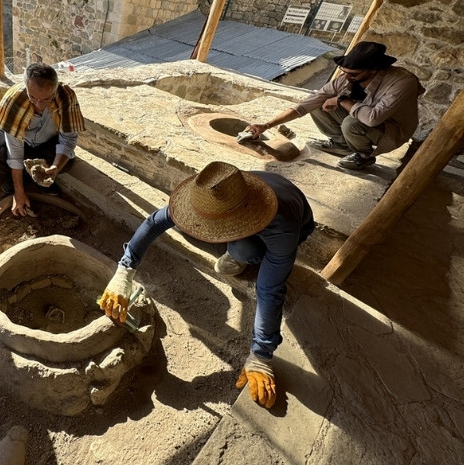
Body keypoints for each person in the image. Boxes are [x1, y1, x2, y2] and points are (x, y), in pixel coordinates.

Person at [99, 161, 315, 409]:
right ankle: (239, 250)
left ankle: (243, 254)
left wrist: (261, 354)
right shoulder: (209, 193)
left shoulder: (281, 228)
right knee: (230, 243)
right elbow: (153, 222)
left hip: (295, 221)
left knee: (243, 249)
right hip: (246, 202)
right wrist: (124, 271)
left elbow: (269, 290)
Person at [244, 41, 424, 170]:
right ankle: (341, 144)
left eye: (352, 73)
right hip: (363, 118)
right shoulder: (348, 78)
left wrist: (341, 100)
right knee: (320, 103)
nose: (346, 77)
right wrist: (266, 125)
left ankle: (363, 156)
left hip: (392, 129)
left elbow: (372, 118)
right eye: (344, 72)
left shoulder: (402, 82)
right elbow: (305, 105)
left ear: (373, 70)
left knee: (351, 123)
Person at [0, 63, 84, 216]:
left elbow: (68, 139)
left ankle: (37, 178)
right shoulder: (15, 99)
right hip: (21, 142)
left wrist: (55, 168)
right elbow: (15, 150)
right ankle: (24, 180)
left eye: (46, 99)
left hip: (46, 144)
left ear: (55, 88)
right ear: (25, 87)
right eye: (33, 97)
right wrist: (19, 193)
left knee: (67, 163)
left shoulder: (66, 96)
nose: (39, 104)